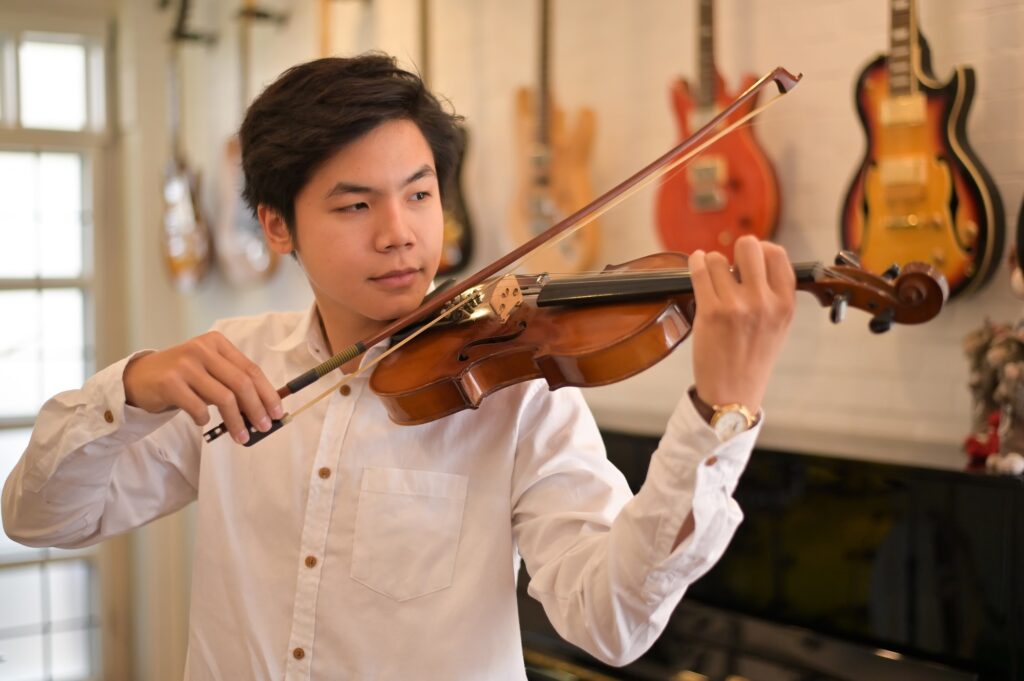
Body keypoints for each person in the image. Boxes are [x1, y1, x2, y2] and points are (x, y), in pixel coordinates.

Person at [2, 53, 795, 680]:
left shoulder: (518, 392)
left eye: (419, 195)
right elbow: (42, 518)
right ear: (278, 226)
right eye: (356, 206)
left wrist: (720, 413)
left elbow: (610, 621)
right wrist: (128, 389)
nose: (401, 234)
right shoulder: (232, 370)